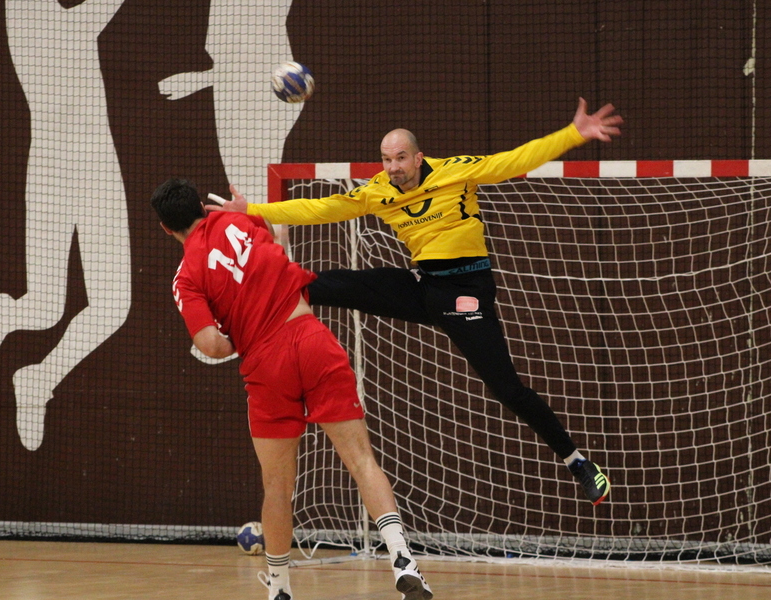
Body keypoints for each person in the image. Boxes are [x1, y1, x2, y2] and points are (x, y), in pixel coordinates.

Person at [208, 98, 622, 506]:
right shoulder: (378, 191)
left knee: (507, 389)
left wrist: (574, 133)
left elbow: (513, 160)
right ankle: (238, 326)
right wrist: (254, 212)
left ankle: (578, 461)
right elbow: (322, 208)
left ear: (418, 156)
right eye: (387, 160)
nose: (393, 168)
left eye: (400, 158)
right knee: (319, 285)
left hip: (466, 293)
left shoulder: (456, 172)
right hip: (423, 287)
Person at [150, 178, 433, 600]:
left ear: (165, 229)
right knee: (361, 461)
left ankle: (280, 588)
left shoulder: (186, 276)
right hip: (311, 339)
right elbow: (276, 240)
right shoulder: (240, 222)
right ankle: (401, 557)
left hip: (266, 364)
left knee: (278, 487)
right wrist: (250, 211)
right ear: (202, 209)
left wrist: (237, 339)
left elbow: (208, 344)